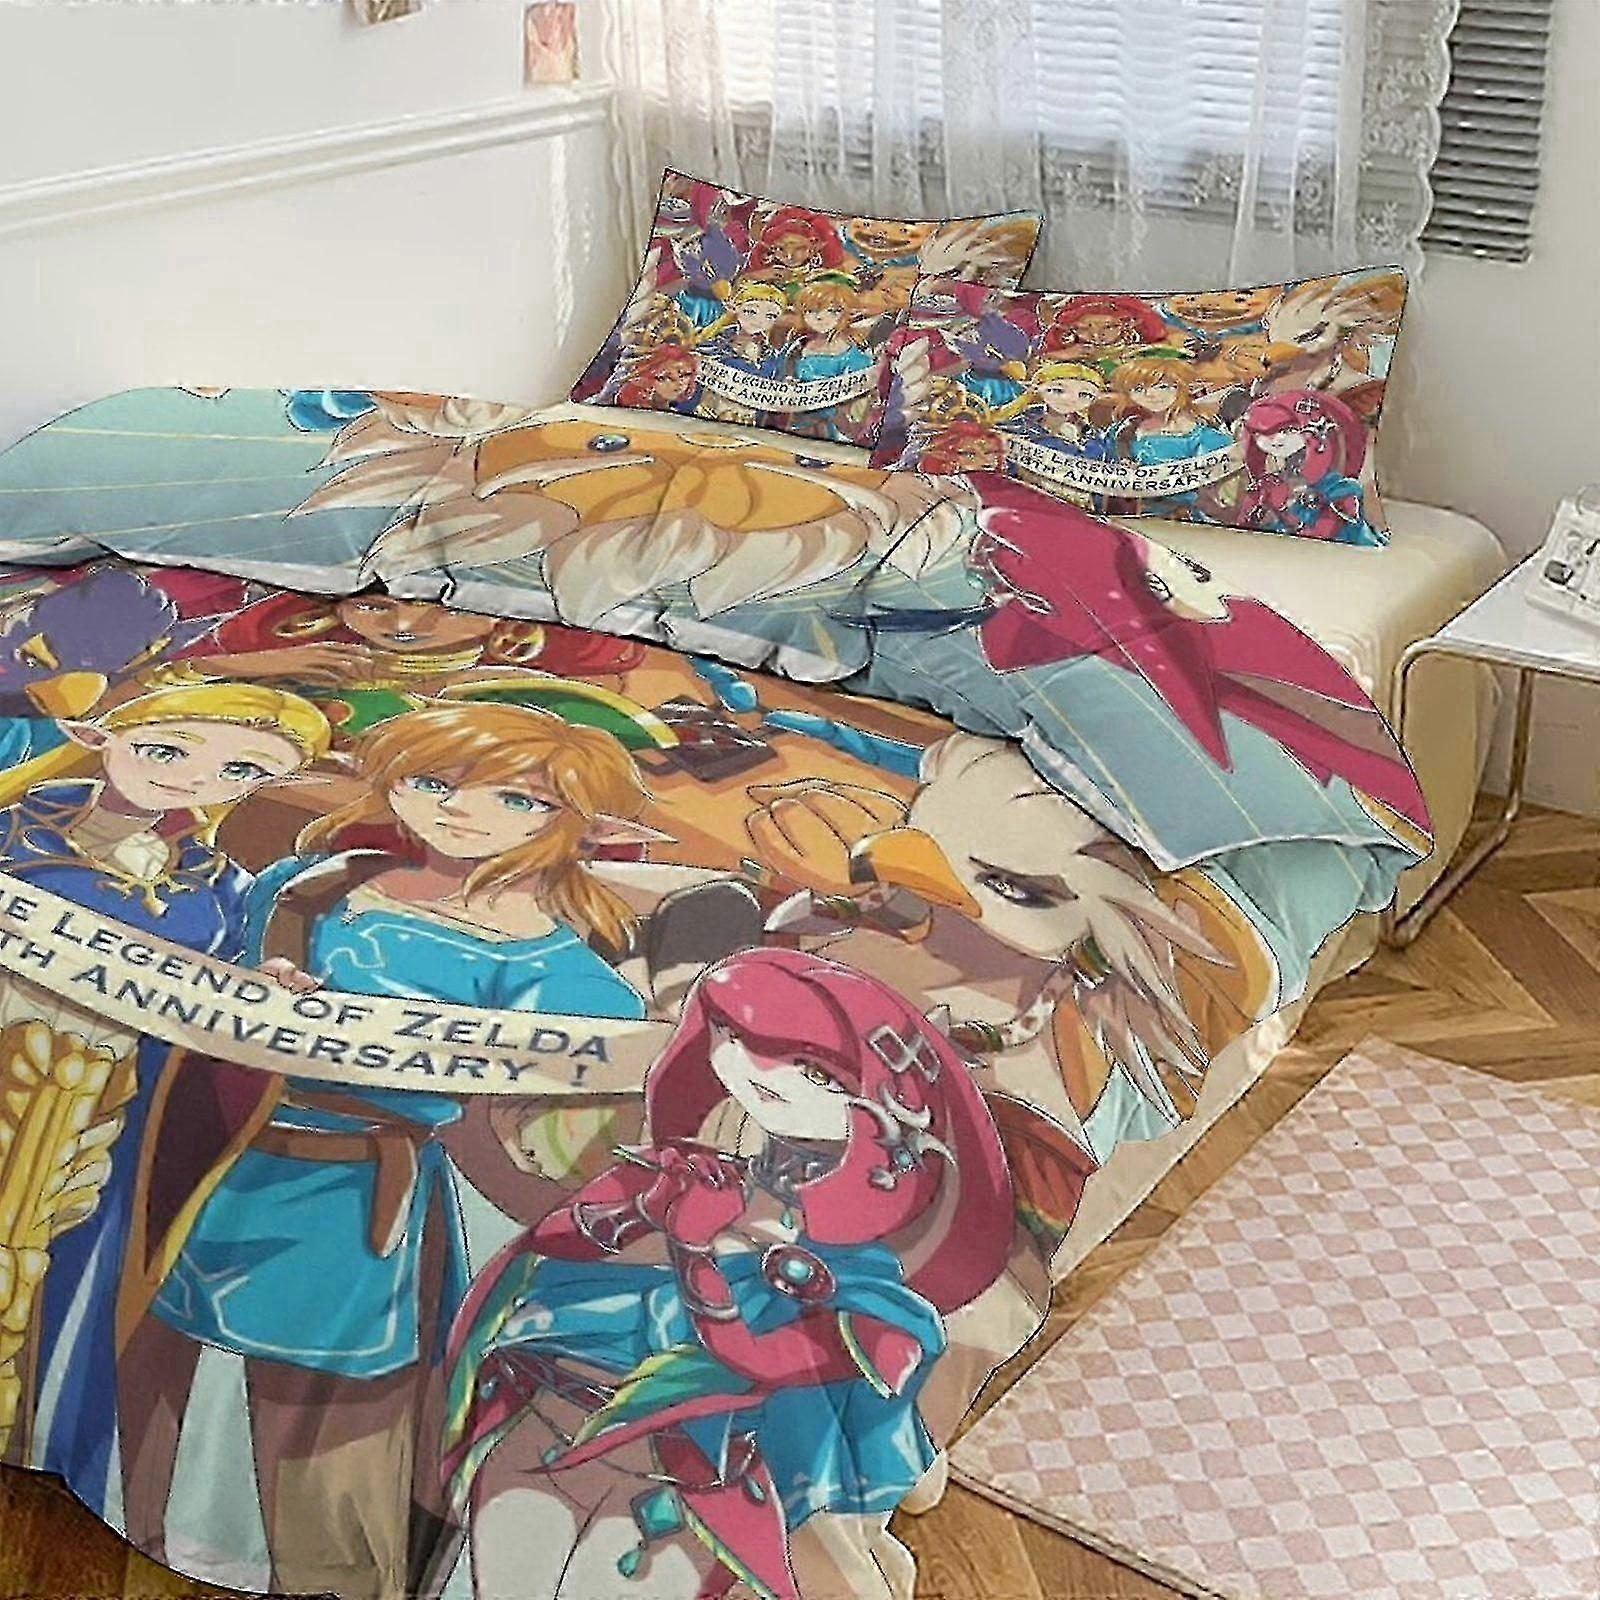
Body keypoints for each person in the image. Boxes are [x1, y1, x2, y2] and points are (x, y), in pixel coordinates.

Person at [119, 701, 659, 1600]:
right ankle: (148, 1521)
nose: (462, 812)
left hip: (360, 1200)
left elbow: (556, 1140)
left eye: (517, 799)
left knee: (328, 1427)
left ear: (578, 821)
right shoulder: (311, 885)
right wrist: (254, 993)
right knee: (156, 1373)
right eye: (433, 782)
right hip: (216, 1158)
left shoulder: (563, 975)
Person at [442, 947, 1013, 1600]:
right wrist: (641, 1211)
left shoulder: (870, 1290)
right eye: (738, 1038)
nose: (764, 1070)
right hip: (542, 1436)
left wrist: (693, 1248)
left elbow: (755, 1359)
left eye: (816, 1073)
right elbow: (551, 1246)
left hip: (685, 1494)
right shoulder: (691, 1173)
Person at [0, 685, 332, 1510]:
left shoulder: (218, 886)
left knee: (45, 1276)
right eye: (166, 749)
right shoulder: (13, 824)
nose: (193, 778)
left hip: (92, 1112)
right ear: (97, 735)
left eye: (241, 770)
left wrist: (260, 990)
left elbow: (212, 998)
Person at [1234, 390, 1385, 545]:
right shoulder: (1267, 485)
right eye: (1260, 434)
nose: (1276, 440)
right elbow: (1242, 525)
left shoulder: (1338, 489)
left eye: (1288, 430)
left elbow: (1324, 533)